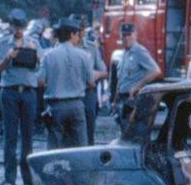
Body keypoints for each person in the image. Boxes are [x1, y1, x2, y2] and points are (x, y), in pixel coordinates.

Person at [0, 8, 43, 185]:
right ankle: (10, 178)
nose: (19, 30)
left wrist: (36, 55)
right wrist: (8, 57)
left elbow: (41, 66)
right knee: (10, 136)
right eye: (16, 27)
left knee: (28, 135)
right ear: (11, 26)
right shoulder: (3, 43)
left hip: (29, 91)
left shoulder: (33, 42)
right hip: (10, 91)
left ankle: (27, 176)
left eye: (21, 27)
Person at [38, 17, 94, 150]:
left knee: (55, 148)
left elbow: (40, 82)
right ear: (72, 34)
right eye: (77, 34)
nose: (78, 37)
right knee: (80, 148)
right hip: (77, 105)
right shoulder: (83, 55)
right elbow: (91, 83)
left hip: (56, 106)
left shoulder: (48, 55)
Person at [113, 23, 161, 120]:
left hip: (134, 99)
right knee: (124, 126)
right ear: (120, 36)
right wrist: (116, 98)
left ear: (135, 35)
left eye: (129, 34)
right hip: (123, 99)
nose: (126, 38)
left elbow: (156, 71)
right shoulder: (124, 53)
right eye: (124, 35)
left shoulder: (139, 51)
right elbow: (121, 78)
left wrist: (137, 87)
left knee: (136, 127)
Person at [73, 14, 107, 145]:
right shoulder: (64, 47)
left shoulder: (91, 48)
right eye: (76, 30)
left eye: (81, 29)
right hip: (70, 93)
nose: (79, 33)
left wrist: (95, 74)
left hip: (87, 93)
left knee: (89, 129)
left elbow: (104, 71)